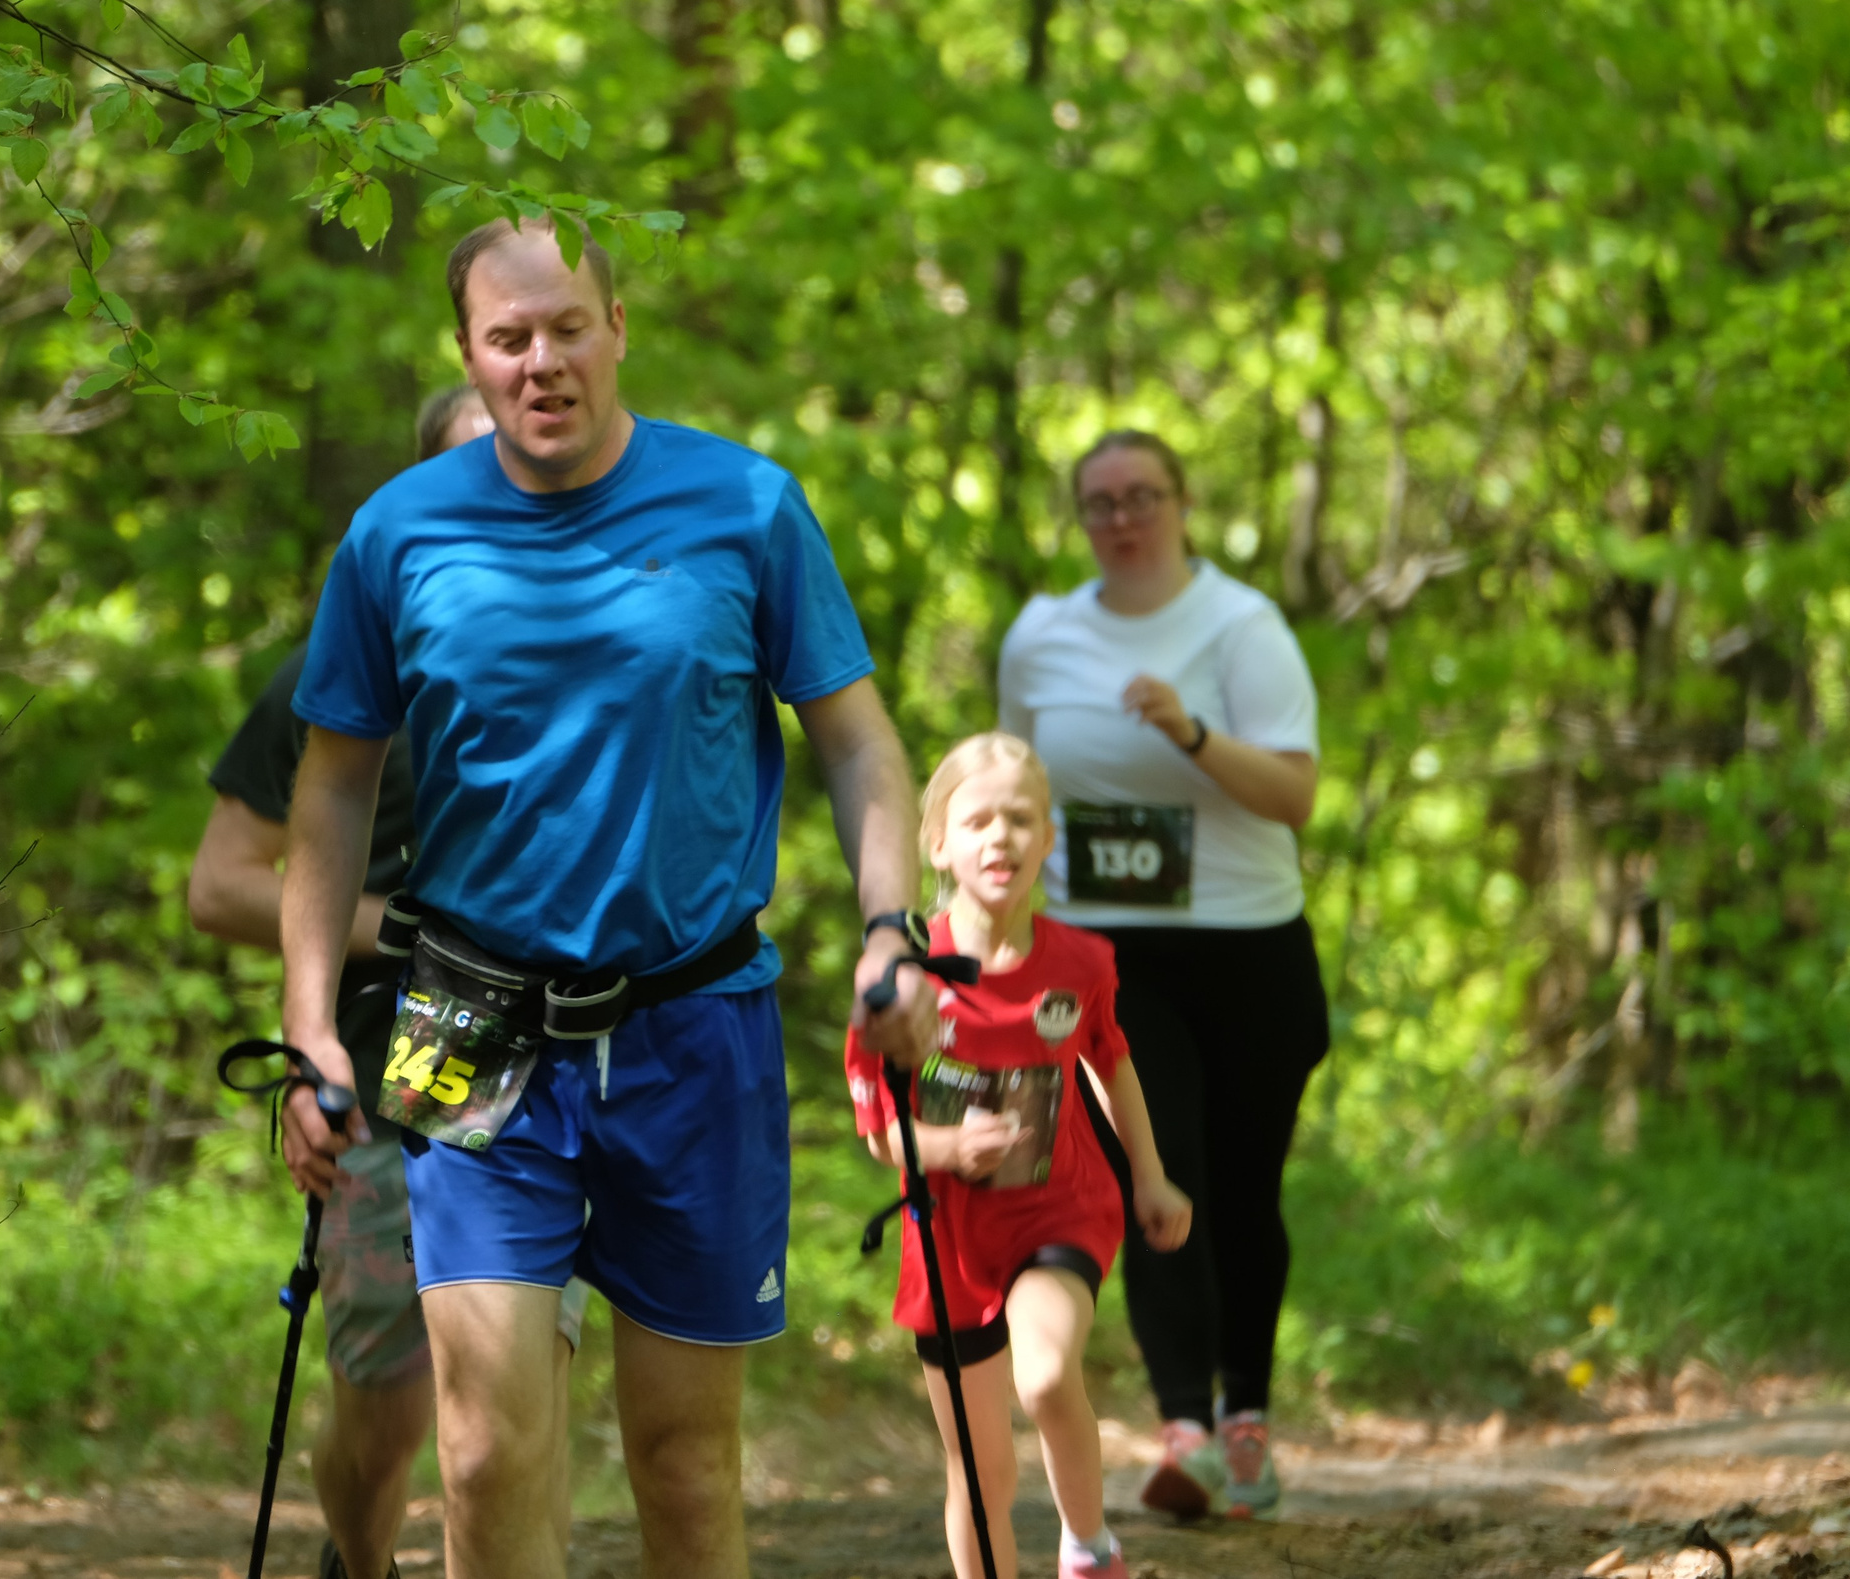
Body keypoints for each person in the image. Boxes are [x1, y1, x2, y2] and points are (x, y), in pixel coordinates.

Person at [274, 216, 937, 1579]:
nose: (541, 362)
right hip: (460, 1014)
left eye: (567, 326)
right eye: (508, 337)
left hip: (697, 1023)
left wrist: (895, 932)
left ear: (619, 327)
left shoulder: (746, 506)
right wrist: (311, 1026)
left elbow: (860, 741)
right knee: (480, 1446)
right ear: (468, 351)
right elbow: (331, 791)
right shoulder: (397, 533)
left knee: (686, 1469)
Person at [188, 385, 590, 1579]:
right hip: (412, 1041)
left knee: (521, 1392)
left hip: (571, 1038)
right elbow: (220, 885)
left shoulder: (604, 659)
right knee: (391, 1394)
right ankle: (356, 1562)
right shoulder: (346, 671)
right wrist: (395, 939)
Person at [995, 430, 1327, 1521]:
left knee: (1241, 1189)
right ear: (1080, 519)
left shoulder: (1239, 627)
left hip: (1247, 948)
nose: (1122, 517)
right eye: (1099, 503)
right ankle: (1184, 1425)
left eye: (1142, 496)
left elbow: (1291, 796)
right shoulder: (1042, 637)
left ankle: (1249, 1421)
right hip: (1110, 956)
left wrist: (1188, 732)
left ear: (1182, 503)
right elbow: (1010, 795)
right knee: (1157, 1176)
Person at [846, 732, 1191, 1579]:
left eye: (1021, 820)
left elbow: (1110, 1060)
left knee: (1043, 1376)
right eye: (977, 820)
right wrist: (947, 1144)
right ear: (939, 842)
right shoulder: (902, 976)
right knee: (980, 1465)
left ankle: (1087, 1543)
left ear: (1047, 840)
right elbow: (880, 1128)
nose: (999, 837)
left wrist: (1149, 1173)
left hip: (1058, 1209)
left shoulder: (1079, 960)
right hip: (949, 1239)